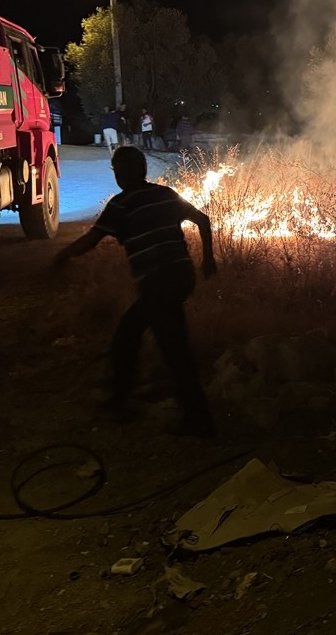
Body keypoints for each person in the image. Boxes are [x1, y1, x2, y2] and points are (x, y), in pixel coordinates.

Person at [52, 146, 217, 436]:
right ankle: (125, 400)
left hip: (158, 282)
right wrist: (208, 260)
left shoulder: (120, 205)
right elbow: (203, 220)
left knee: (166, 346)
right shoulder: (165, 194)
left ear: (119, 174)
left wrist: (62, 257)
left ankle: (196, 419)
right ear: (143, 169)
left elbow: (91, 240)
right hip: (181, 276)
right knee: (135, 336)